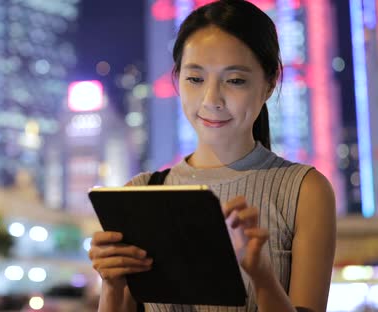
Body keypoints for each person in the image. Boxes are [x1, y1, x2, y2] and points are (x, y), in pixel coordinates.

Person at [88, 1, 336, 311]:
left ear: (270, 83)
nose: (211, 99)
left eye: (234, 80)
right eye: (195, 79)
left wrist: (261, 277)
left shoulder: (305, 191)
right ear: (177, 78)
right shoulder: (141, 192)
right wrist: (111, 284)